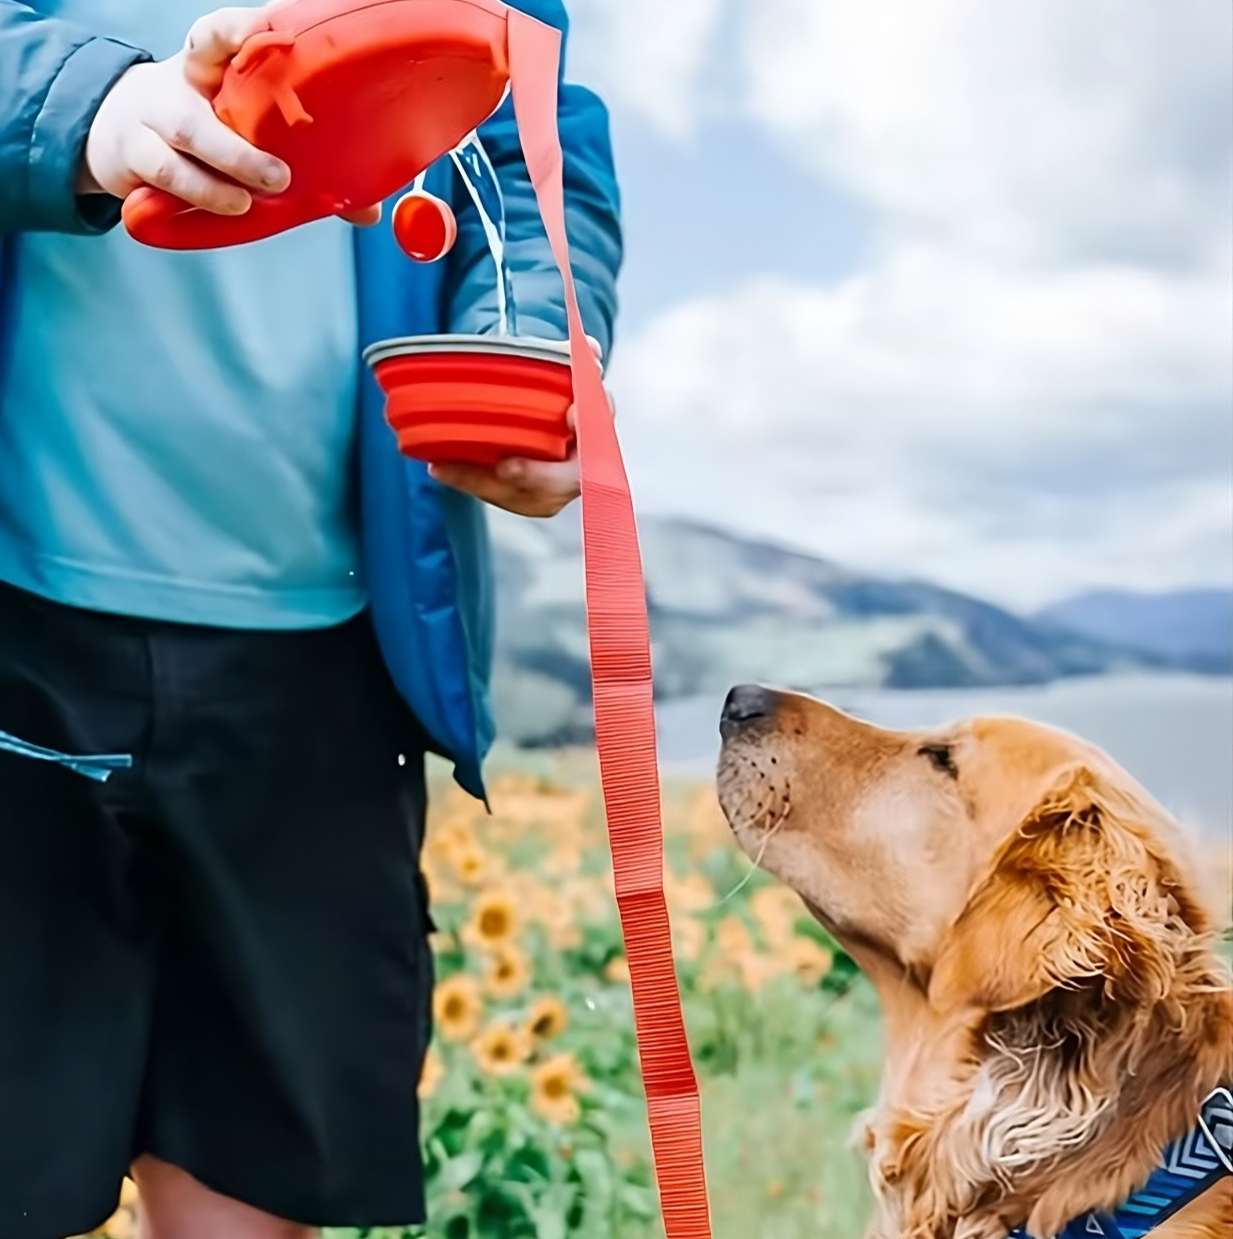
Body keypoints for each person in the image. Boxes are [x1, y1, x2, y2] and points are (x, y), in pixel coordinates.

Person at [0, 1, 621, 1236]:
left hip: (330, 668)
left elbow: (525, 140)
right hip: (21, 640)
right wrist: (83, 106)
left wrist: (535, 346)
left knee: (259, 1184)